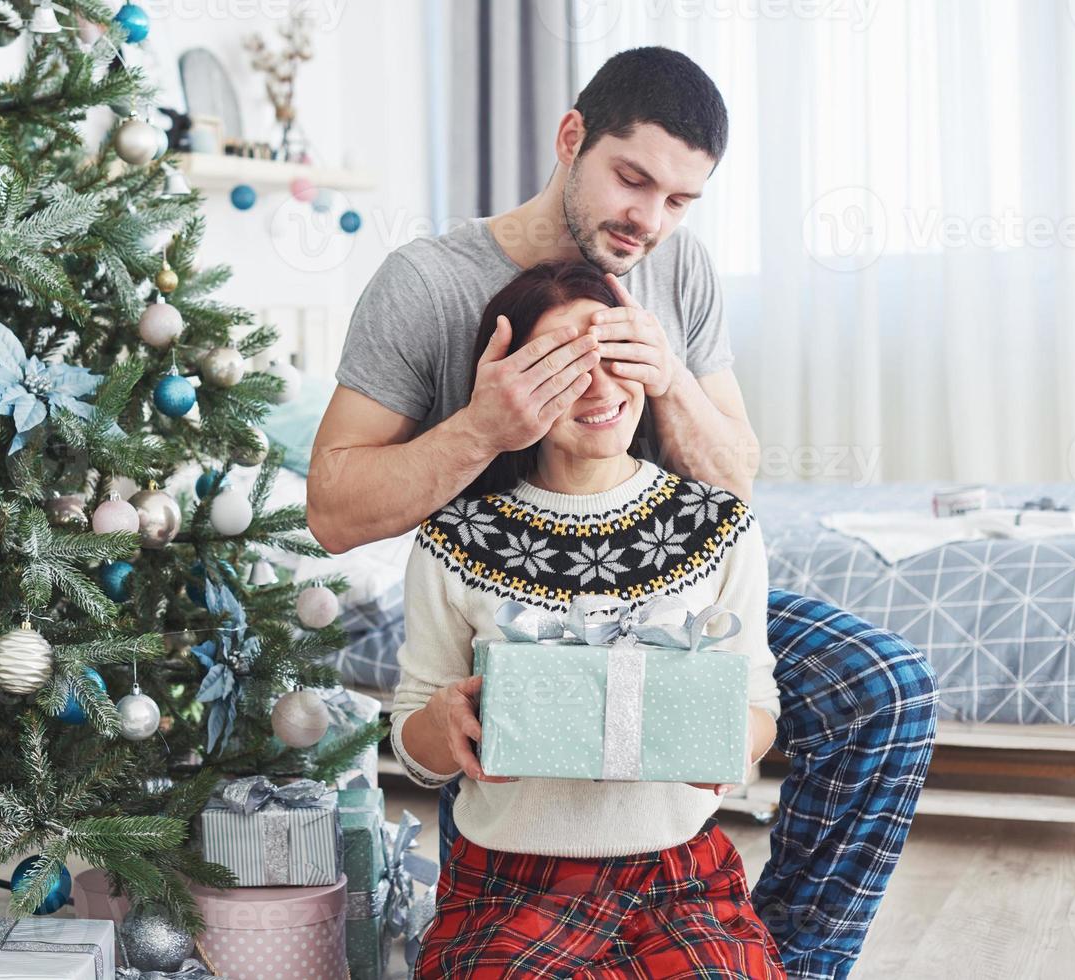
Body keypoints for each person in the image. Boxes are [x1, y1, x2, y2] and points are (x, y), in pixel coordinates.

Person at [308, 47, 938, 980]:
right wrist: (484, 427)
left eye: (680, 200)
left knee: (884, 690)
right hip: (509, 605)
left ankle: (787, 960)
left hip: (664, 596)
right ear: (572, 139)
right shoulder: (427, 283)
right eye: (631, 179)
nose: (649, 219)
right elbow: (331, 512)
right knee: (515, 780)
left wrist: (671, 377)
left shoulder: (677, 270)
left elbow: (735, 484)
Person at [396, 259, 786, 978]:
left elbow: (758, 703)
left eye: (616, 357)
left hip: (678, 880)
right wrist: (447, 722)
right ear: (515, 383)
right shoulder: (455, 537)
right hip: (507, 882)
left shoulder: (721, 524)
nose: (601, 388)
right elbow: (416, 746)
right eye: (566, 367)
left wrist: (730, 741)